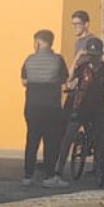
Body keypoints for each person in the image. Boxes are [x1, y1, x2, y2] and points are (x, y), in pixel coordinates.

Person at [63, 36, 104, 188]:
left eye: (96, 56)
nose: (93, 59)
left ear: (101, 54)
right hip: (81, 107)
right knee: (68, 136)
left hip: (97, 108)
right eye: (90, 55)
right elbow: (68, 81)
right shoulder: (82, 68)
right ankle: (58, 170)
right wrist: (77, 59)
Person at [21, 29, 70, 188]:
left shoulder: (29, 60)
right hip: (52, 108)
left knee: (32, 141)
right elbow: (65, 80)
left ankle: (28, 175)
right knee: (51, 143)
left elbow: (24, 81)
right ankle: (50, 176)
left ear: (38, 42)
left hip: (32, 107)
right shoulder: (58, 60)